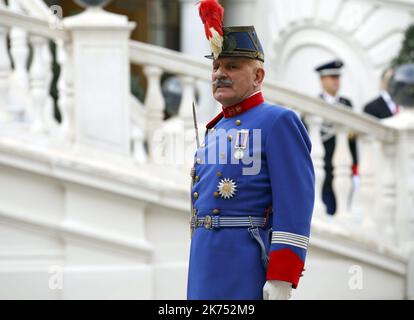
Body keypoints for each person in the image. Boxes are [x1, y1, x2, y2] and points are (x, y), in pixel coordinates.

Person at [187, 0, 315, 300]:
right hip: (205, 263)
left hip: (245, 266)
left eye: (232, 66)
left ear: (258, 77)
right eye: (216, 66)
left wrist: (283, 277)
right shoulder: (215, 128)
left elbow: (295, 203)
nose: (220, 73)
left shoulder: (278, 121)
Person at [314, 60, 358, 215]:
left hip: (344, 164)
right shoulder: (314, 105)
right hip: (323, 165)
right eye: (332, 77)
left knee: (344, 208)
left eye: (338, 77)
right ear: (322, 80)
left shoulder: (346, 104)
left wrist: (355, 165)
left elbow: (352, 139)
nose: (336, 81)